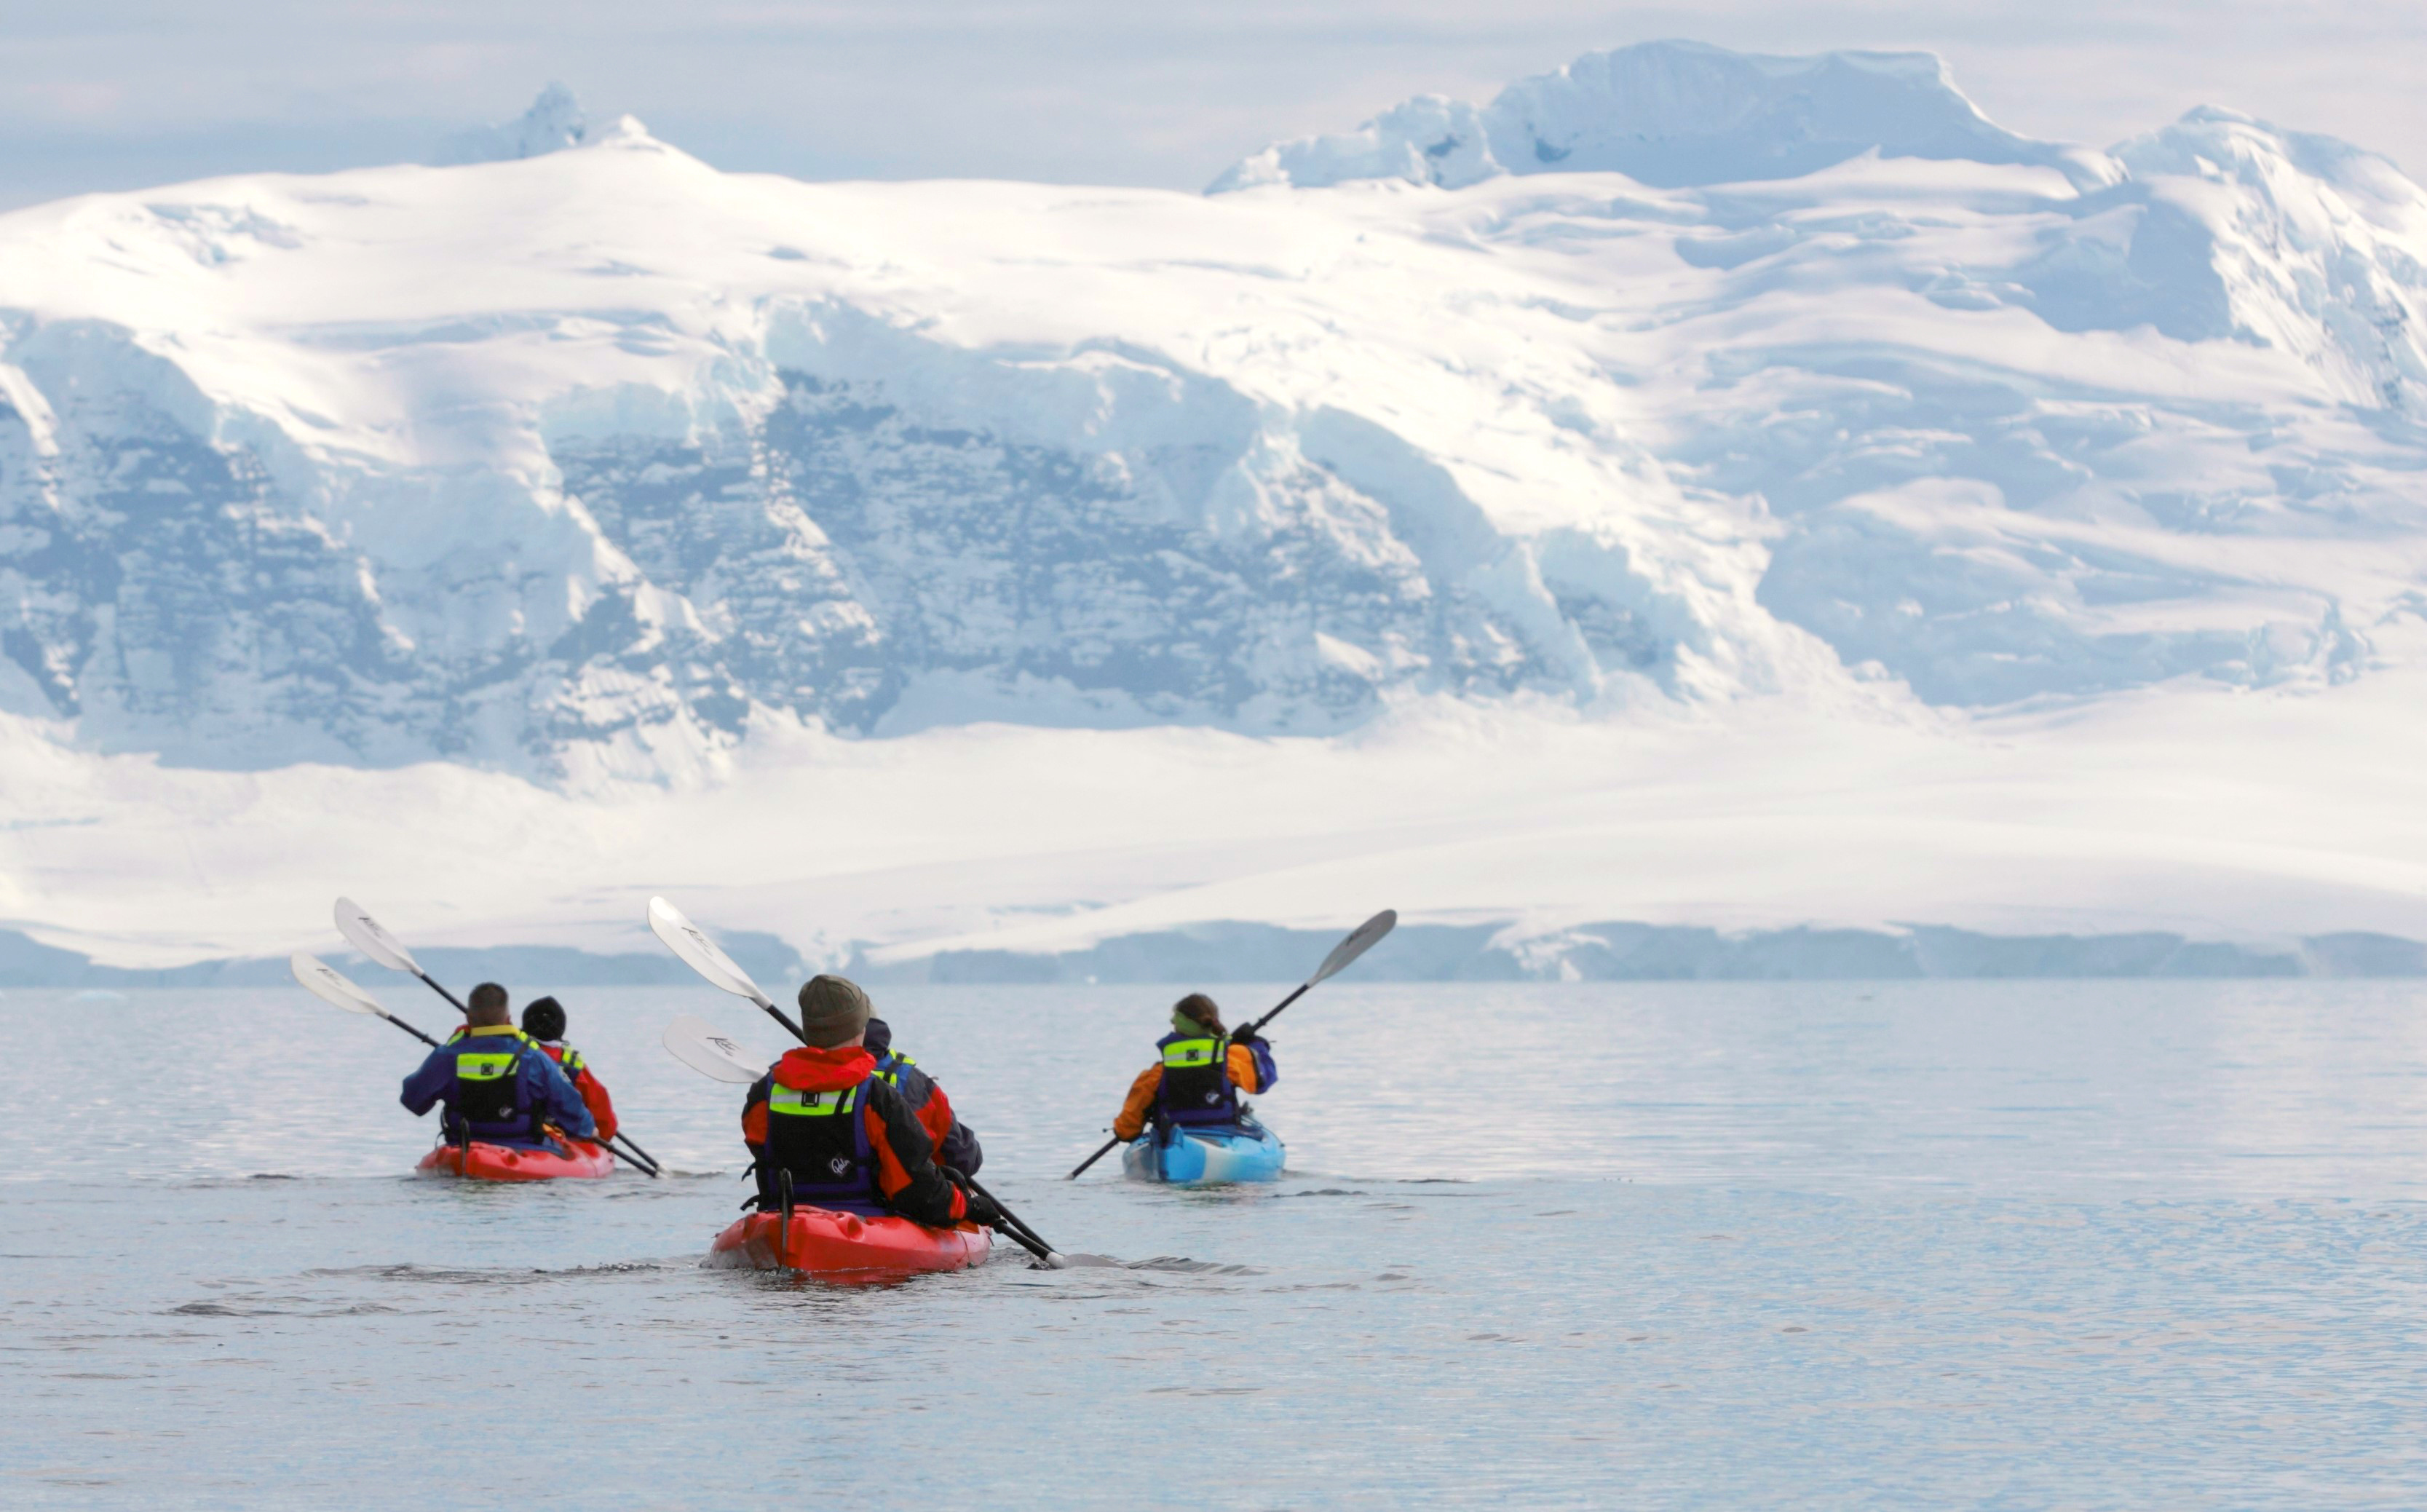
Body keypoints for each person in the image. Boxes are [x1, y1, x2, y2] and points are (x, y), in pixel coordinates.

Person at [740, 975, 999, 1230]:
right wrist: (967, 1206)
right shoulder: (878, 1098)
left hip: (783, 1219)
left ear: (808, 1029)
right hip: (867, 1222)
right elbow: (916, 1188)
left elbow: (759, 1148)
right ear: (861, 1029)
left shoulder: (763, 1092)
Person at [400, 982, 595, 1149]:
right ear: (509, 1020)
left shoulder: (447, 1056)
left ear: (468, 1020)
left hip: (463, 1146)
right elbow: (568, 1105)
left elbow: (412, 1100)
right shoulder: (535, 1058)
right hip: (524, 1146)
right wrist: (588, 1129)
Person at [1111, 992, 1278, 1146]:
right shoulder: (1232, 1058)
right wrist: (1257, 1046)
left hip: (1174, 1142)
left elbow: (1127, 1131)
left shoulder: (1157, 1073)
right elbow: (1264, 1080)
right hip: (1223, 1138)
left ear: (1178, 1026)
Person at [864, 1015, 982, 1176]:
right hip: (897, 1193)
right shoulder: (914, 1082)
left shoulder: (819, 1076)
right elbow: (963, 1159)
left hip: (828, 1191)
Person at [520, 995, 618, 1144]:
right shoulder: (572, 1063)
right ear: (561, 1028)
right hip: (564, 1138)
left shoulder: (515, 1054)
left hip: (519, 1132)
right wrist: (602, 1135)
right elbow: (601, 1110)